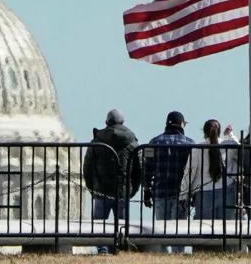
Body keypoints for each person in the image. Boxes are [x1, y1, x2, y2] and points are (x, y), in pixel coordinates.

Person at [83, 109, 142, 254]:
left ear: (107, 122)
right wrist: (132, 189)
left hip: (101, 190)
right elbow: (139, 169)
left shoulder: (97, 140)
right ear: (123, 122)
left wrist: (92, 188)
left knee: (98, 224)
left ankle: (102, 249)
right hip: (123, 191)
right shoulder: (132, 141)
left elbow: (88, 166)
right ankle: (119, 248)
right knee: (122, 224)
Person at [141, 111, 194, 253]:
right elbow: (192, 171)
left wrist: (146, 190)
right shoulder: (190, 144)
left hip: (159, 192)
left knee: (161, 231)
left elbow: (147, 169)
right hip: (181, 195)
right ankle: (178, 256)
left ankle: (162, 257)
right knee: (178, 232)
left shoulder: (154, 142)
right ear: (182, 124)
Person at [179, 120, 239, 219]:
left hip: (203, 193)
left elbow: (190, 172)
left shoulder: (197, 148)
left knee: (205, 230)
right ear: (219, 131)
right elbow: (238, 147)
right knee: (227, 230)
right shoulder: (228, 145)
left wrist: (183, 195)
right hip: (227, 192)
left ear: (204, 132)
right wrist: (230, 135)